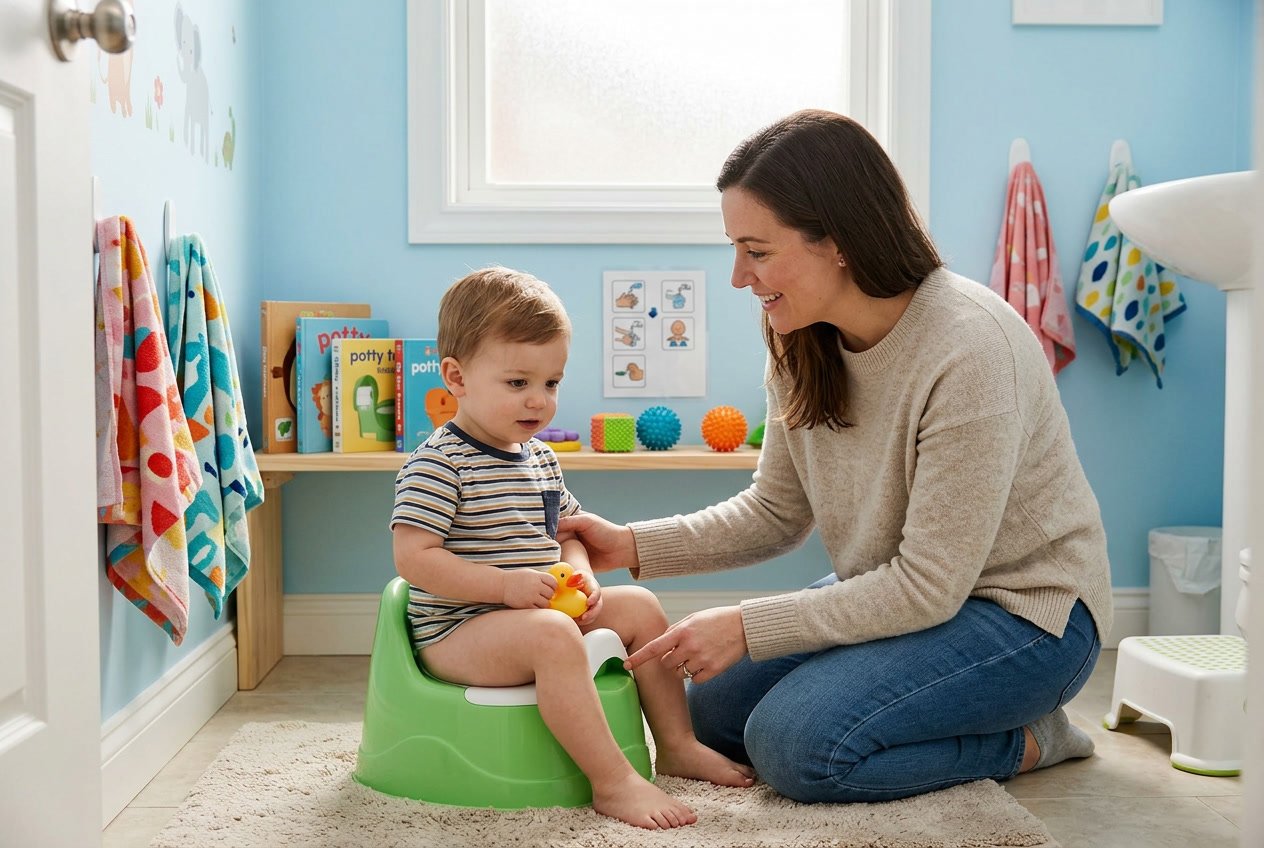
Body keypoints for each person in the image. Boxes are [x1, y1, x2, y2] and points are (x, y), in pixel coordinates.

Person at [558, 110, 1112, 804]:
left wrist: (746, 626)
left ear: (839, 241)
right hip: (912, 598)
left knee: (797, 748)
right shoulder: (798, 336)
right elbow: (775, 512)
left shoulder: (969, 348)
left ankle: (1032, 739)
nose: (738, 276)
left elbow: (929, 586)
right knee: (713, 714)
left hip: (1027, 619)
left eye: (756, 250)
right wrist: (628, 544)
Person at [390, 267, 753, 830]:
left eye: (551, 383)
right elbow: (414, 558)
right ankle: (613, 782)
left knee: (639, 607)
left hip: (536, 611)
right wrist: (504, 587)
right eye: (518, 384)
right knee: (555, 636)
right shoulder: (438, 463)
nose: (538, 401)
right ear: (456, 378)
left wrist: (579, 575)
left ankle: (678, 744)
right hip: (460, 629)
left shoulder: (539, 458)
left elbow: (567, 534)